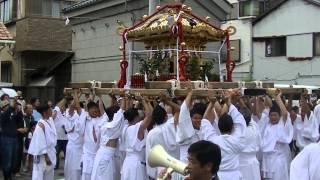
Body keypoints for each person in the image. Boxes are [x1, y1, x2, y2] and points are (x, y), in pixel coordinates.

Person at [200, 89, 246, 180]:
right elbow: (240, 121)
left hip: (218, 176)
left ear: (218, 126)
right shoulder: (237, 140)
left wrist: (211, 103)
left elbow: (204, 121)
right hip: (234, 176)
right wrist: (228, 102)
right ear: (233, 127)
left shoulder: (213, 141)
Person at [257, 91, 293, 180]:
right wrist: (259, 98)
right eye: (271, 115)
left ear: (279, 116)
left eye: (275, 115)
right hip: (268, 161)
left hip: (279, 161)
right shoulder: (267, 125)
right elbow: (260, 112)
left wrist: (277, 97)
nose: (273, 117)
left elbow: (285, 113)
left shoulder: (282, 123)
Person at [91, 94, 126, 180]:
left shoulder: (104, 123)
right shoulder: (112, 126)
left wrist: (99, 96)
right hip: (106, 156)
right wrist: (124, 97)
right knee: (104, 177)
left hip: (102, 154)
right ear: (115, 116)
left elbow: (102, 110)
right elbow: (121, 110)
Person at [146, 96, 180, 179]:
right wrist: (167, 101)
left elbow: (149, 154)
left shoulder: (151, 133)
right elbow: (179, 110)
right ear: (166, 117)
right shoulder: (170, 125)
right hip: (175, 167)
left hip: (159, 171)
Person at [120, 94, 153, 180]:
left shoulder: (125, 127)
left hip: (127, 163)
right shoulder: (138, 128)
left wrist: (130, 100)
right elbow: (150, 115)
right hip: (136, 165)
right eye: (139, 115)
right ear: (136, 117)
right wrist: (144, 101)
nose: (141, 117)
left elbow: (128, 111)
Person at [78, 98, 107, 180]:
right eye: (93, 110)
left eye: (96, 110)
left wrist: (100, 97)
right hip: (87, 155)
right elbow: (82, 110)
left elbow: (103, 113)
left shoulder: (100, 120)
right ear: (89, 110)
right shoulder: (85, 119)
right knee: (86, 176)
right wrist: (89, 98)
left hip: (98, 154)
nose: (95, 111)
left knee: (97, 176)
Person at [28, 104, 57, 180]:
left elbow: (56, 111)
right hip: (42, 155)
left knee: (49, 176)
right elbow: (40, 142)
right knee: (38, 176)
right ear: (45, 113)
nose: (51, 111)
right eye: (50, 110)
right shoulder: (40, 125)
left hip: (50, 152)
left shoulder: (49, 121)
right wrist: (46, 156)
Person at [0, 99, 24, 180]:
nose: (8, 107)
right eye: (5, 105)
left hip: (14, 139)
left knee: (14, 160)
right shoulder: (2, 115)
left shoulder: (13, 114)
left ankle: (9, 175)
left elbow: (20, 122)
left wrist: (19, 111)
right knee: (7, 161)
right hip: (6, 139)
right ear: (2, 108)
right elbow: (8, 112)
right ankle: (7, 177)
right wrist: (12, 105)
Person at [64, 90, 83, 180]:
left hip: (82, 147)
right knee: (72, 169)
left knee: (80, 169)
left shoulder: (82, 114)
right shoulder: (69, 114)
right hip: (73, 147)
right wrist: (76, 96)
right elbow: (72, 107)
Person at [52, 98, 68, 170]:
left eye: (64, 106)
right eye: (61, 106)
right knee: (56, 153)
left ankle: (67, 166)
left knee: (67, 153)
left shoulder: (67, 113)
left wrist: (66, 127)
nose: (62, 107)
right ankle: (55, 165)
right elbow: (57, 107)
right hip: (57, 137)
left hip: (66, 138)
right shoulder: (56, 112)